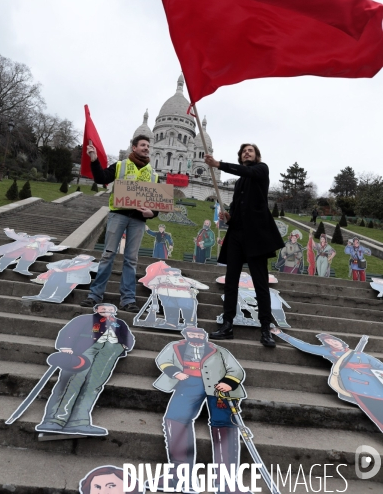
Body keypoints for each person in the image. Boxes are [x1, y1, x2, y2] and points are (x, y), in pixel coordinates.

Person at [205, 143, 284, 347]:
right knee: (231, 281)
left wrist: (218, 164)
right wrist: (229, 217)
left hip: (256, 237)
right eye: (243, 151)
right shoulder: (239, 183)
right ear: (240, 156)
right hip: (237, 236)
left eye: (250, 150)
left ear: (257, 156)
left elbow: (245, 170)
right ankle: (227, 324)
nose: (246, 153)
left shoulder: (261, 170)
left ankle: (265, 328)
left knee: (260, 284)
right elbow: (239, 211)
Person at [153, 327, 246, 492]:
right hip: (188, 384)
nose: (196, 337)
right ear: (186, 335)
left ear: (205, 336)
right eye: (192, 334)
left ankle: (226, 482)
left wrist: (228, 382)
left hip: (218, 388)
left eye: (199, 334)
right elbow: (164, 360)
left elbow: (235, 369)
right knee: (175, 418)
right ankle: (179, 475)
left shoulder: (219, 350)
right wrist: (175, 373)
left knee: (224, 423)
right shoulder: (175, 346)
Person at [80, 135, 159, 311]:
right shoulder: (120, 165)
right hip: (118, 215)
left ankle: (128, 300)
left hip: (138, 220)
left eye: (148, 145)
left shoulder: (153, 174)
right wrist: (94, 160)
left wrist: (151, 213)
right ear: (134, 147)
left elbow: (157, 203)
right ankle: (95, 295)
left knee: (131, 260)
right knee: (108, 255)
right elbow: (101, 178)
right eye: (143, 145)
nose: (146, 148)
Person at [36, 303, 134, 436]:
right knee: (74, 379)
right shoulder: (85, 319)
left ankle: (79, 421)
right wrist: (66, 346)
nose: (107, 311)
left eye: (110, 309)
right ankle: (54, 419)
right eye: (103, 309)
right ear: (96, 309)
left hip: (110, 350)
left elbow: (128, 337)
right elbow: (70, 331)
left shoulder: (120, 323)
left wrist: (123, 346)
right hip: (86, 347)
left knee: (94, 384)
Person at [271, 328, 383, 432]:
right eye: (329, 342)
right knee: (377, 410)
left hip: (376, 382)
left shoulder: (360, 354)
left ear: (340, 341)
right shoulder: (329, 352)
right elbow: (305, 346)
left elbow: (378, 365)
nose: (333, 343)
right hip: (357, 384)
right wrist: (281, 334)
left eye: (335, 341)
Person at [0, 228, 67, 276]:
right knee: (10, 255)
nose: (47, 240)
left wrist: (59, 248)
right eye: (45, 238)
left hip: (32, 251)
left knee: (30, 257)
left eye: (47, 239)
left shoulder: (47, 244)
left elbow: (52, 248)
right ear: (38, 237)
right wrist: (10, 232)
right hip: (20, 248)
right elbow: (16, 236)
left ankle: (21, 268)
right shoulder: (27, 239)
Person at [22, 254, 98, 303]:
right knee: (52, 280)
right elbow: (51, 265)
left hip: (74, 277)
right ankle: (43, 295)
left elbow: (99, 268)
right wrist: (55, 268)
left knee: (65, 283)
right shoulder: (66, 261)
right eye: (81, 256)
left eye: (85, 257)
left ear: (89, 259)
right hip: (58, 275)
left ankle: (58, 297)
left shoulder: (90, 264)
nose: (82, 257)